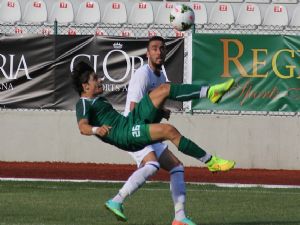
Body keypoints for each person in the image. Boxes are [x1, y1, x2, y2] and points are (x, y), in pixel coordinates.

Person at [72, 60, 235, 225]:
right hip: (125, 134)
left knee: (163, 90)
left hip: (129, 122)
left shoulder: (98, 100)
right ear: (86, 86)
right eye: (95, 79)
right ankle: (210, 161)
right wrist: (96, 130)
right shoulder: (83, 104)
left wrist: (157, 110)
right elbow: (82, 127)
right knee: (168, 131)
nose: (100, 80)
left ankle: (179, 218)